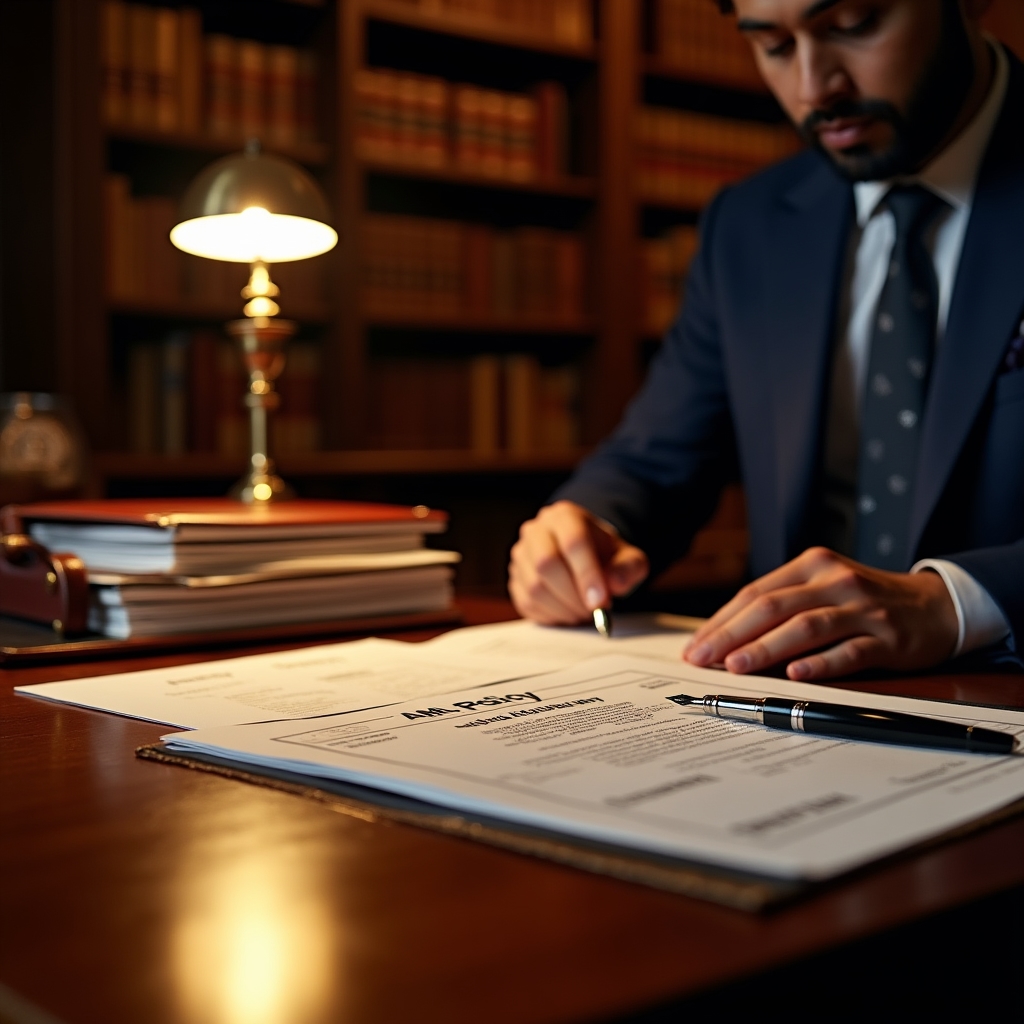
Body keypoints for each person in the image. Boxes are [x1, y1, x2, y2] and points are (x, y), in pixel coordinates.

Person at [509, 0, 1024, 679]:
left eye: (852, 25)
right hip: (785, 712)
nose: (815, 88)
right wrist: (589, 529)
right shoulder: (749, 225)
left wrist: (951, 604)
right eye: (773, 44)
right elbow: (656, 459)